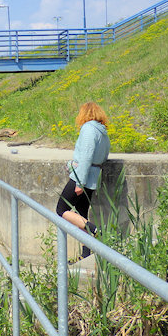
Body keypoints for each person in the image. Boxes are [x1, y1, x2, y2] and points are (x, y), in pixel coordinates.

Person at [56, 102, 110, 261]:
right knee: (81, 213)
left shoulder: (88, 129)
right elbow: (103, 156)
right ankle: (85, 254)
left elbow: (86, 156)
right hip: (93, 177)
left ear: (84, 114)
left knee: (61, 210)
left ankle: (96, 231)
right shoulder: (102, 131)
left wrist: (79, 182)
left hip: (82, 177)